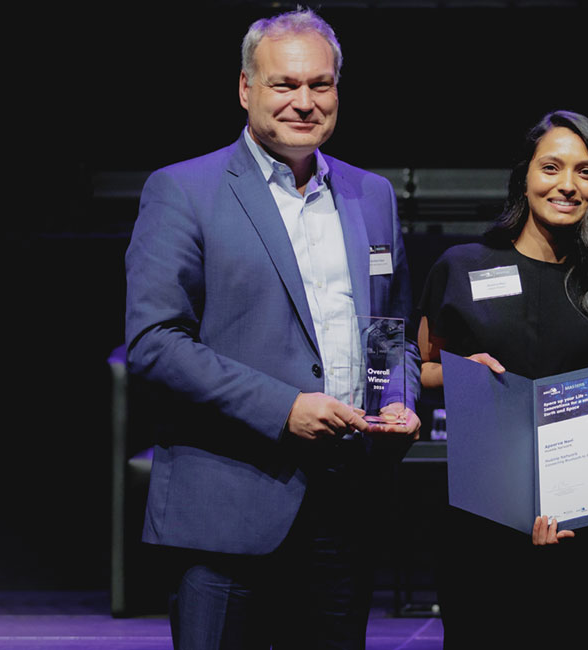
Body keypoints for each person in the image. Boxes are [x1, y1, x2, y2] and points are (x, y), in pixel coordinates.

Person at [124, 8, 420, 649]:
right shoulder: (183, 190)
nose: (304, 102)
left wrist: (398, 398)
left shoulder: (373, 196)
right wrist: (284, 407)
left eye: (321, 84)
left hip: (344, 511)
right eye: (285, 85)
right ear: (245, 89)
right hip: (229, 512)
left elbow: (390, 333)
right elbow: (153, 344)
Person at [415, 110, 588, 648]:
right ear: (524, 176)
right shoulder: (463, 265)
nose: (567, 185)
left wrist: (574, 500)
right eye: (552, 167)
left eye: (584, 172)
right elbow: (414, 367)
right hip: (479, 522)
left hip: (576, 526)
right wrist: (459, 372)